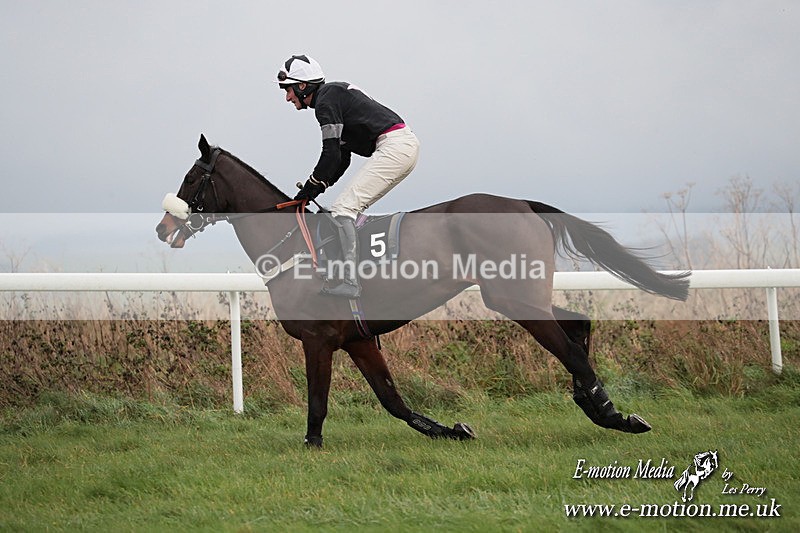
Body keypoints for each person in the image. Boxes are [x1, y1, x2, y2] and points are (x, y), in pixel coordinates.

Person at [277, 54, 420, 298]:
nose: (287, 97)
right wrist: (317, 187)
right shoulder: (331, 96)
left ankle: (351, 282)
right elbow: (343, 158)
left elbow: (330, 153)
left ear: (302, 86)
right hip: (400, 146)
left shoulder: (325, 103)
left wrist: (310, 187)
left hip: (394, 147)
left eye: (288, 90)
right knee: (345, 207)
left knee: (344, 208)